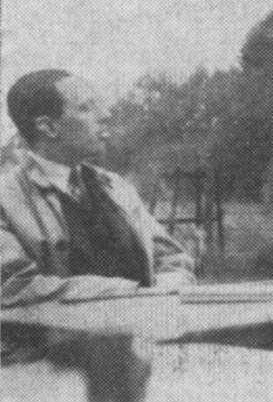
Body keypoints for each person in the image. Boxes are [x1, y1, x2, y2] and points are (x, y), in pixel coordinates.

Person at [1, 69, 195, 401]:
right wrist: (130, 294)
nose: (105, 114)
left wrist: (171, 287)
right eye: (87, 107)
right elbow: (14, 288)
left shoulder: (115, 187)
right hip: (41, 376)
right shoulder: (6, 200)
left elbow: (172, 256)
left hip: (141, 362)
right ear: (48, 127)